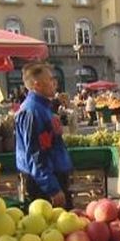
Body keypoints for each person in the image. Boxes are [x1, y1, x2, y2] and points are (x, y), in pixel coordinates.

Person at [15, 63, 73, 208]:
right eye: (50, 79)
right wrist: (52, 189)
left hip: (53, 176)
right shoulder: (32, 111)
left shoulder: (42, 107)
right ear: (37, 85)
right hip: (45, 184)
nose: (55, 83)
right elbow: (36, 154)